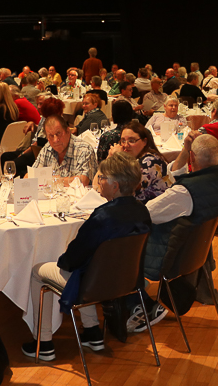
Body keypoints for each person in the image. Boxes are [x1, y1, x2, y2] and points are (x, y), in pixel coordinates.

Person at [23, 152, 150, 361]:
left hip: (96, 285)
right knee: (90, 267)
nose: (99, 182)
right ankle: (92, 332)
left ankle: (42, 342)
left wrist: (62, 260)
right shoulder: (142, 211)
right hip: (128, 281)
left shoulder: (103, 216)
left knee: (38, 271)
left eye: (102, 178)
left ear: (115, 186)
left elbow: (72, 259)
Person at [128, 134, 218, 333]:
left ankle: (139, 303)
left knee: (118, 245)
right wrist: (185, 150)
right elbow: (175, 175)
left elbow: (145, 214)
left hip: (166, 255)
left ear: (192, 158)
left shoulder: (184, 193)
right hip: (195, 254)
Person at [112, 121, 169, 202]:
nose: (125, 145)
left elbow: (124, 191)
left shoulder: (150, 162)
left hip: (152, 208)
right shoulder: (134, 160)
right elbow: (100, 185)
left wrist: (117, 159)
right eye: (123, 141)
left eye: (131, 140)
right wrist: (109, 157)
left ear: (144, 142)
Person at [32, 116, 97, 185]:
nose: (55, 140)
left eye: (58, 133)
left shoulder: (84, 149)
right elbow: (31, 175)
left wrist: (54, 180)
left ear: (68, 131)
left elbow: (84, 180)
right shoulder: (47, 148)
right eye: (51, 136)